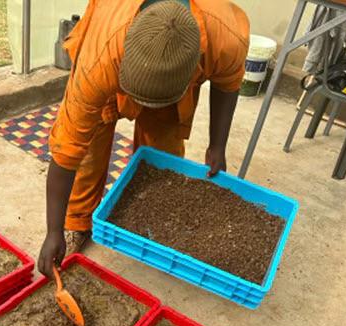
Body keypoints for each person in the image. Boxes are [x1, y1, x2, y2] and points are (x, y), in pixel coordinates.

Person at [37, 0, 250, 278]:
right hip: (113, 34)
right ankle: (78, 222)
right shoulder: (101, 58)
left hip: (181, 68)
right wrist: (54, 231)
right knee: (91, 143)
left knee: (163, 149)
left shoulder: (226, 37)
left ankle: (146, 221)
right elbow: (67, 150)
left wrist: (217, 145)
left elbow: (228, 84)